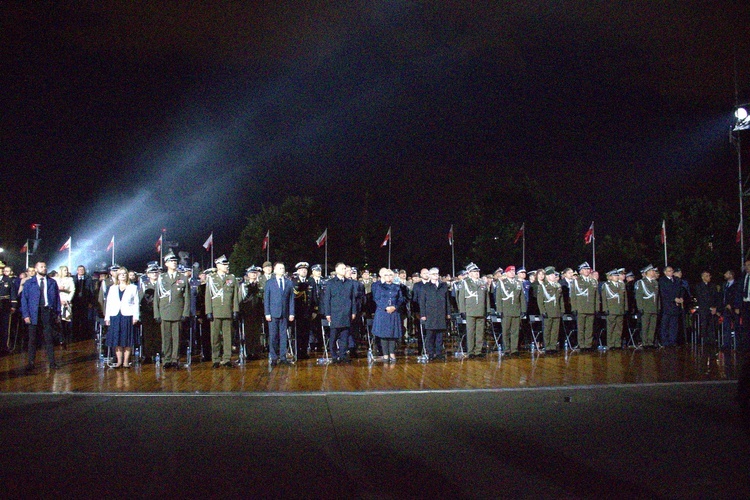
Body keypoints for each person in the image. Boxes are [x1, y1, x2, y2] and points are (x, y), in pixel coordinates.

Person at [20, 261, 61, 371]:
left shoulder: (52, 282)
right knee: (32, 339)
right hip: (33, 312)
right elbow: (24, 299)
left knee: (49, 338)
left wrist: (57, 313)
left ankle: (52, 363)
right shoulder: (29, 283)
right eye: (41, 267)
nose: (44, 268)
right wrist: (26, 315)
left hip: (47, 312)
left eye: (45, 266)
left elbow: (57, 299)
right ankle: (31, 363)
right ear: (36, 269)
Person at [153, 252, 190, 368]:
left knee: (177, 338)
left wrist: (185, 313)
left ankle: (175, 359)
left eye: (175, 261)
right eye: (171, 261)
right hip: (164, 311)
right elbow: (156, 297)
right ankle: (166, 359)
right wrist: (156, 313)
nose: (174, 263)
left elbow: (187, 297)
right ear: (166, 264)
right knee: (166, 338)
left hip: (177, 311)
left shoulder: (182, 277)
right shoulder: (161, 278)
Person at [206, 255, 240, 368]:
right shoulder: (211, 278)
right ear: (218, 265)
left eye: (227, 264)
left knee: (227, 336)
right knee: (215, 337)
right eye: (224, 264)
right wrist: (208, 311)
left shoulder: (232, 278)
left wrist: (235, 310)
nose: (227, 266)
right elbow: (208, 296)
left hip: (227, 310)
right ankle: (216, 359)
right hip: (215, 311)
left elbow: (235, 296)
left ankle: (227, 358)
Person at [104, 267, 140, 367]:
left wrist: (135, 316)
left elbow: (136, 303)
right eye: (121, 274)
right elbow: (109, 303)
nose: (123, 275)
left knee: (127, 339)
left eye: (124, 274)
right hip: (115, 315)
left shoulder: (133, 287)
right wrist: (107, 317)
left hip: (127, 315)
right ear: (118, 276)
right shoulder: (112, 288)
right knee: (117, 339)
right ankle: (119, 361)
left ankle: (126, 361)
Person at [323, 262, 357, 363]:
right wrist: (327, 313)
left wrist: (353, 311)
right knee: (333, 337)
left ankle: (342, 355)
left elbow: (353, 299)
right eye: (342, 269)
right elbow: (327, 299)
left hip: (346, 313)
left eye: (345, 269)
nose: (345, 270)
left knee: (344, 336)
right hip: (334, 313)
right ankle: (334, 356)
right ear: (337, 270)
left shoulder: (349, 283)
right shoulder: (330, 283)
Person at [264, 262, 295, 366]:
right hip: (273, 314)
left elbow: (291, 299)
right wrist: (267, 313)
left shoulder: (288, 283)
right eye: (280, 268)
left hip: (284, 314)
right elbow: (266, 299)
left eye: (283, 268)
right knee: (273, 336)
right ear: (275, 270)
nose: (282, 270)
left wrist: (291, 313)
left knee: (283, 336)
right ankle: (273, 357)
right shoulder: (269, 282)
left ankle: (283, 357)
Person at [458, 263, 491, 358]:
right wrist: (462, 310)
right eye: (474, 271)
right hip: (470, 310)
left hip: (481, 310)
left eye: (477, 271)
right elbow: (461, 297)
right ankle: (471, 351)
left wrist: (488, 309)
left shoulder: (482, 282)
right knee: (470, 332)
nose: (477, 273)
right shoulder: (465, 282)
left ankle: (478, 351)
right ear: (469, 273)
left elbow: (486, 297)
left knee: (480, 332)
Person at [372, 268, 405, 362]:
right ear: (383, 276)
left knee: (392, 334)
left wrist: (395, 307)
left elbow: (400, 299)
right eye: (386, 275)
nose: (388, 277)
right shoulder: (380, 287)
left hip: (394, 312)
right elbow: (377, 299)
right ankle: (385, 354)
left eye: (390, 275)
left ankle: (392, 353)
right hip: (383, 312)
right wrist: (386, 307)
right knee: (384, 334)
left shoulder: (397, 287)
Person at [418, 267, 450, 360]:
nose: (436, 276)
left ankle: (439, 353)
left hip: (441, 314)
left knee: (440, 335)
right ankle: (431, 353)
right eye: (434, 274)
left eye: (437, 274)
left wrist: (448, 313)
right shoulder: (425, 287)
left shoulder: (443, 286)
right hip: (430, 314)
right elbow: (422, 302)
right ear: (430, 276)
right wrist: (423, 314)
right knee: (430, 335)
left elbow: (447, 300)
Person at [495, 265, 527, 354]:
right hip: (506, 310)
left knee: (515, 331)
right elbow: (498, 297)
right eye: (510, 271)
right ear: (506, 273)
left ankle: (514, 349)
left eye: (513, 271)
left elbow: (522, 298)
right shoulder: (502, 283)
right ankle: (506, 349)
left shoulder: (518, 283)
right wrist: (499, 310)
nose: (512, 273)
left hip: (516, 309)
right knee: (506, 331)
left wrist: (523, 309)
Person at [571, 262, 599, 349]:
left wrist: (597, 307)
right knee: (581, 328)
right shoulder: (576, 281)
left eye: (588, 269)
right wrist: (574, 308)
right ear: (580, 271)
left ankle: (588, 345)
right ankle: (582, 345)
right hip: (580, 308)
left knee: (589, 328)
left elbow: (596, 296)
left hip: (591, 308)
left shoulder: (593, 281)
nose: (587, 271)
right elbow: (573, 296)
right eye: (584, 269)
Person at [239, 265, 264, 359]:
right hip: (247, 311)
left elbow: (262, 298)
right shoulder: (243, 285)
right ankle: (249, 352)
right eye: (251, 273)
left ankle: (257, 352)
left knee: (257, 332)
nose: (253, 274)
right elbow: (241, 299)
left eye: (255, 273)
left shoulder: (260, 285)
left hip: (257, 311)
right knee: (248, 333)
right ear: (248, 274)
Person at [537, 267, 562, 352]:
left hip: (556, 311)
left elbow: (560, 300)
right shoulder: (543, 286)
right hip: (548, 311)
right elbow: (540, 301)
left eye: (554, 274)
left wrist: (562, 310)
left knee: (555, 330)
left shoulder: (558, 285)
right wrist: (542, 311)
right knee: (547, 330)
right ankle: (547, 347)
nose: (554, 276)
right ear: (547, 276)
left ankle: (553, 346)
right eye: (551, 274)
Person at [292, 262, 313, 360]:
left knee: (306, 333)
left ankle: (304, 351)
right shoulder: (294, 281)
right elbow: (294, 296)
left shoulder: (310, 281)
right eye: (301, 270)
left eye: (305, 270)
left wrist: (315, 310)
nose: (304, 271)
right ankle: (298, 352)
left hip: (308, 312)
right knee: (298, 333)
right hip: (298, 312)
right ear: (298, 271)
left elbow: (313, 297)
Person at [635, 264, 660, 348]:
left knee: (652, 326)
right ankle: (645, 342)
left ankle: (650, 342)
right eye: (652, 271)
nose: (654, 272)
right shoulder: (641, 282)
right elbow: (639, 296)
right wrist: (640, 307)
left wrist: (658, 307)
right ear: (648, 272)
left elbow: (657, 297)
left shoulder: (655, 282)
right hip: (645, 307)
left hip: (654, 307)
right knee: (645, 326)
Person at [658, 266, 683, 347]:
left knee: (674, 325)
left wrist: (680, 298)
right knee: (665, 325)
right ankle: (665, 341)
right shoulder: (662, 280)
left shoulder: (677, 280)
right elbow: (663, 293)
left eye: (672, 270)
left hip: (675, 306)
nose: (671, 272)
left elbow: (681, 290)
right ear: (665, 272)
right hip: (666, 306)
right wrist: (673, 299)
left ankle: (673, 341)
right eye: (669, 271)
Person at [602, 269, 627, 350]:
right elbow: (604, 298)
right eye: (615, 275)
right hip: (611, 309)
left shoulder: (621, 285)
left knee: (619, 328)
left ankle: (618, 344)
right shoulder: (606, 285)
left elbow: (624, 298)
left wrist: (625, 308)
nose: (616, 277)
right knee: (611, 328)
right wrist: (605, 308)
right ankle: (611, 344)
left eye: (617, 275)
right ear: (610, 277)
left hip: (620, 309)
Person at [694, 271, 719, 346]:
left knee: (712, 325)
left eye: (709, 275)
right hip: (704, 308)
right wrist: (709, 307)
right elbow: (700, 298)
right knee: (704, 324)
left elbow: (715, 297)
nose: (709, 277)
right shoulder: (699, 286)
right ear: (703, 277)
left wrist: (714, 307)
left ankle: (712, 340)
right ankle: (703, 341)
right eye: (706, 276)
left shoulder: (712, 286)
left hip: (712, 309)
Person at [54, 265, 75, 347]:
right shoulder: (55, 280)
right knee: (57, 320)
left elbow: (72, 290)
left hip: (66, 301)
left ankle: (64, 338)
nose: (66, 272)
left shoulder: (70, 279)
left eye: (67, 270)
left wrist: (67, 300)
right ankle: (59, 338)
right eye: (64, 270)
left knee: (65, 320)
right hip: (57, 301)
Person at [72, 265, 95, 340]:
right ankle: (75, 335)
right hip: (75, 303)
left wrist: (91, 302)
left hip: (85, 302)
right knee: (75, 319)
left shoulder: (88, 279)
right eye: (79, 269)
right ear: (77, 271)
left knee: (84, 319)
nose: (81, 271)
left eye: (82, 269)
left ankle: (84, 335)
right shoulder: (73, 279)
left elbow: (91, 291)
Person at [721, 270, 741, 349]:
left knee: (736, 326)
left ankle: (738, 344)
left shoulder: (737, 285)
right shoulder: (724, 285)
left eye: (726, 273)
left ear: (731, 275)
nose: (724, 275)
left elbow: (737, 296)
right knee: (726, 326)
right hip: (726, 308)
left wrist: (733, 305)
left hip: (734, 308)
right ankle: (727, 344)